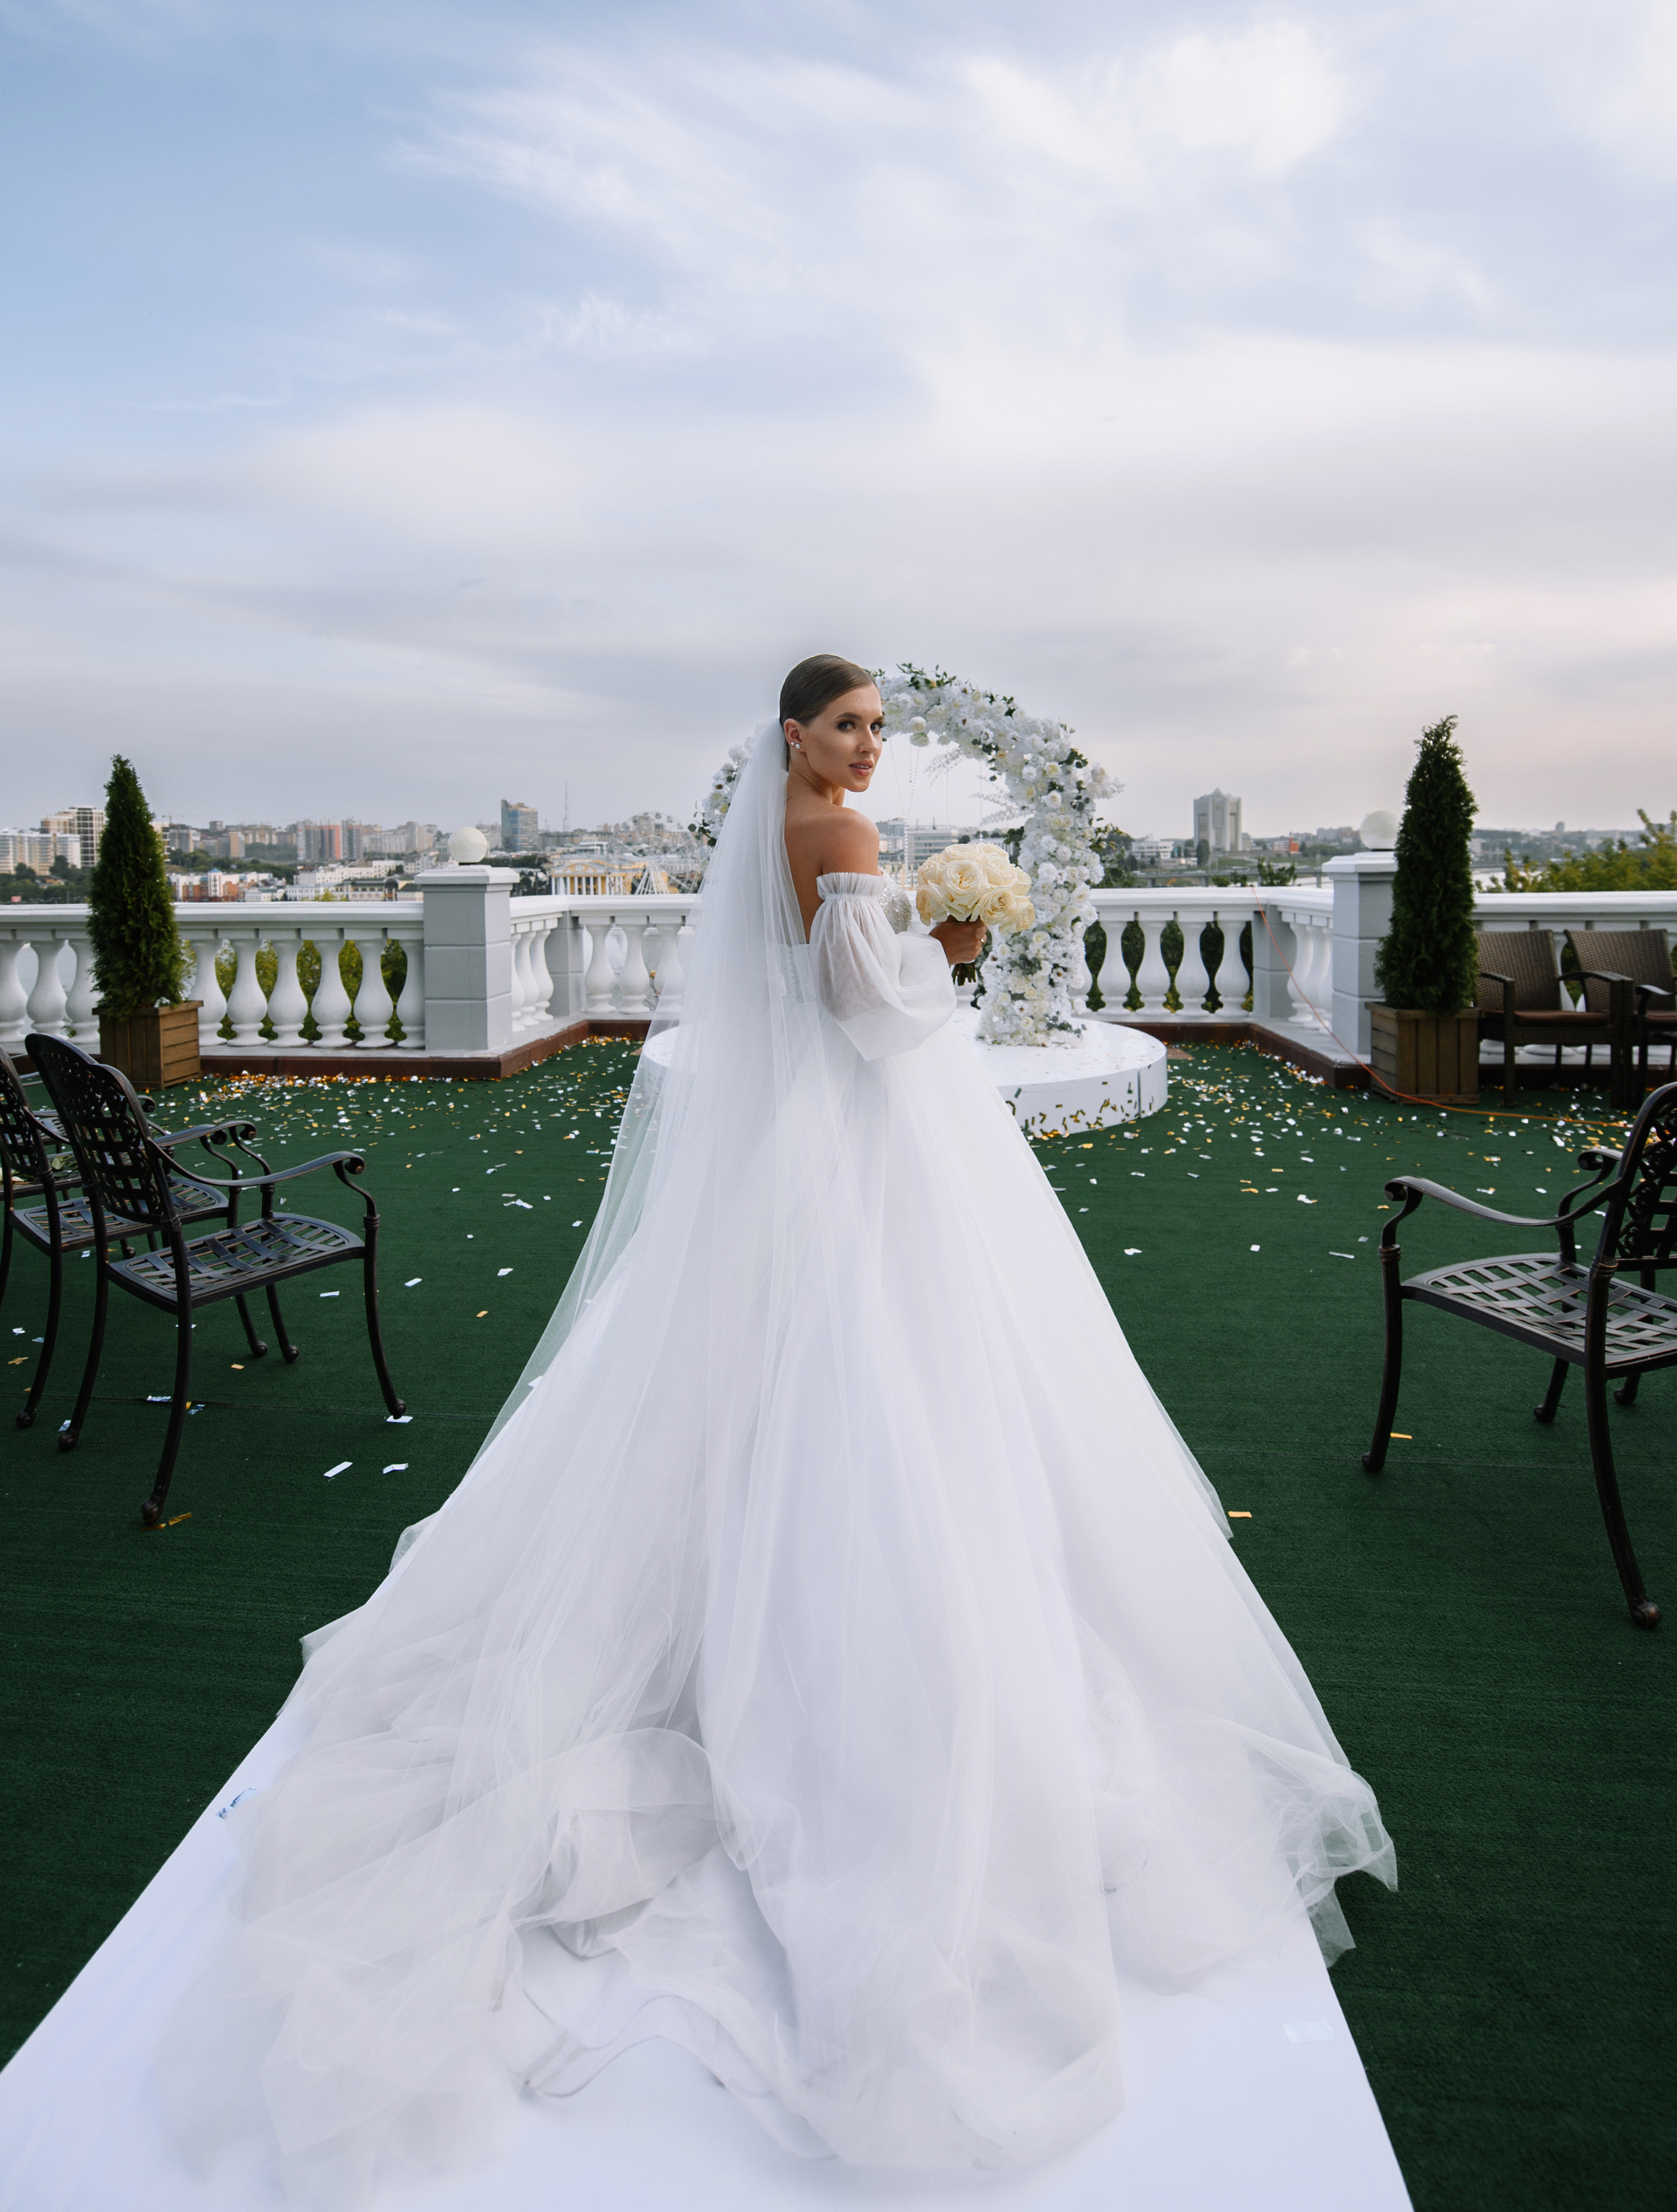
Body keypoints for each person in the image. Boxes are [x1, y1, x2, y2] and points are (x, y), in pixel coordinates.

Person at [155, 652, 1393, 2203]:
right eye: (847, 726)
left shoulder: (778, 833)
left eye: (878, 728)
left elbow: (800, 1001)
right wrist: (954, 934)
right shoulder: (845, 840)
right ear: (795, 733)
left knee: (772, 1381)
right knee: (910, 1381)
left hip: (798, 1158)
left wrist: (924, 931)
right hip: (872, 1140)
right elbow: (871, 1018)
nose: (867, 749)